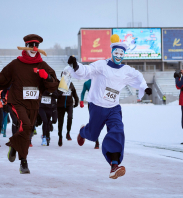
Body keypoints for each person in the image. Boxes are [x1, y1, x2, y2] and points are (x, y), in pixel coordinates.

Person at [66, 34, 152, 179]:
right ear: (112, 53)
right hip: (97, 106)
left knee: (117, 130)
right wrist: (76, 66)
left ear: (124, 55)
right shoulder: (101, 65)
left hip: (113, 108)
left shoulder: (125, 70)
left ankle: (114, 164)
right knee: (93, 135)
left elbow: (137, 76)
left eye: (121, 54)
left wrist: (145, 87)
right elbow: (86, 71)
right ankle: (83, 131)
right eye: (116, 53)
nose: (118, 56)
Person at [0, 34, 59, 174]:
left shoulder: (42, 64)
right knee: (24, 125)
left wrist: (47, 77)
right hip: (17, 101)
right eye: (31, 45)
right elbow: (2, 78)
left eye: (36, 46)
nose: (34, 48)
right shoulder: (16, 64)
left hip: (33, 104)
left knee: (28, 130)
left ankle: (14, 145)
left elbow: (53, 84)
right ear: (26, 46)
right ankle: (23, 162)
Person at [57, 80, 79, 146]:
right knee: (60, 121)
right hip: (60, 105)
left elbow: (74, 93)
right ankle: (60, 136)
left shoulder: (71, 84)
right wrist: (61, 91)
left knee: (70, 117)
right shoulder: (59, 84)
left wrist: (76, 101)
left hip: (69, 105)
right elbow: (55, 94)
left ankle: (68, 133)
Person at [80, 79, 100, 149]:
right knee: (94, 122)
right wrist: (81, 100)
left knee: (101, 121)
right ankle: (97, 141)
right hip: (91, 104)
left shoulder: (100, 80)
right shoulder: (87, 83)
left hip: (101, 104)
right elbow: (82, 93)